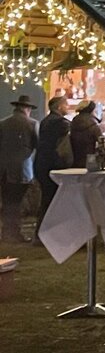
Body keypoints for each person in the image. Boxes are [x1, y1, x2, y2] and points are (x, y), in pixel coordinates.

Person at [0, 95, 37, 243]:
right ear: (27, 109)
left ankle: (7, 231)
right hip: (22, 169)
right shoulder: (32, 124)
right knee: (16, 202)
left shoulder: (3, 123)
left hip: (3, 169)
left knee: (7, 201)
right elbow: (37, 144)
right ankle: (14, 233)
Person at [34, 96, 70, 240]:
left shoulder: (45, 121)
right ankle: (48, 235)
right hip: (54, 165)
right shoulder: (62, 124)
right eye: (66, 104)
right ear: (59, 107)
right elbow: (64, 147)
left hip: (41, 164)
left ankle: (41, 233)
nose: (67, 107)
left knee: (46, 199)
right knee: (53, 201)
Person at [69, 99, 103, 168]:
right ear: (92, 111)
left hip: (73, 161)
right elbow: (102, 145)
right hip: (89, 161)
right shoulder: (93, 126)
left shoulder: (72, 123)